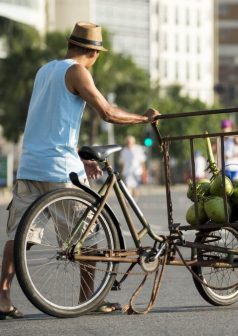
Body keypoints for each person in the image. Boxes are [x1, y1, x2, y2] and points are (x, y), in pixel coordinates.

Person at [0, 22, 160, 319]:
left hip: (31, 165)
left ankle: (2, 297)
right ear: (95, 52)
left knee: (19, 236)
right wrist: (144, 119)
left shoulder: (45, 70)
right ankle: (90, 300)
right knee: (90, 238)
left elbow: (49, 124)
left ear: (70, 44)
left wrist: (78, 156)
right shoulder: (77, 71)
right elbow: (108, 112)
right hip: (59, 172)